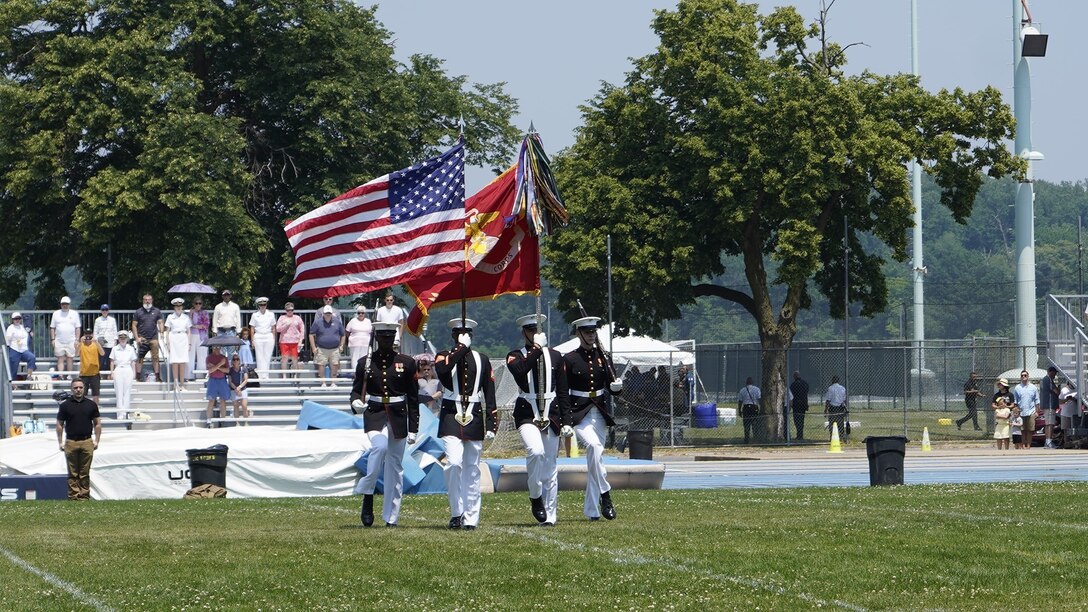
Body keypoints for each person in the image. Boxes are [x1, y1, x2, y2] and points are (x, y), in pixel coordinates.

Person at [349, 322, 418, 527]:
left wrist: (414, 427)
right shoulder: (366, 363)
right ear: (376, 338)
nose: (387, 341)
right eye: (383, 337)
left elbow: (413, 398)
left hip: (398, 415)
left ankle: (391, 517)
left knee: (395, 467)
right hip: (375, 413)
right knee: (379, 447)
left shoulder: (407, 363)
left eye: (390, 337)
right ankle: (368, 491)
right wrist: (355, 402)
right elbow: (355, 390)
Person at [506, 314, 571, 526]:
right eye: (530, 330)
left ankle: (550, 515)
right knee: (536, 451)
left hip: (551, 412)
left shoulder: (556, 356)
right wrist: (536, 349)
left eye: (537, 330)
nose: (534, 333)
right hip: (527, 411)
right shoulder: (516, 355)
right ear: (524, 332)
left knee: (550, 465)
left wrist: (567, 420)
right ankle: (535, 496)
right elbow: (520, 371)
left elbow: (562, 391)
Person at [434, 317, 497, 530]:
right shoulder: (444, 355)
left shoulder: (482, 359)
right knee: (453, 463)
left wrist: (492, 422)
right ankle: (456, 511)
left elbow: (489, 392)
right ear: (453, 336)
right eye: (459, 334)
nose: (464, 337)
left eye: (467, 334)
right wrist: (460, 348)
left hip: (474, 414)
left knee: (472, 468)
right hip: (452, 413)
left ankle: (471, 517)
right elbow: (443, 372)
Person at [563, 315, 623, 522]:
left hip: (599, 411)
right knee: (594, 448)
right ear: (578, 334)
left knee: (595, 460)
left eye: (593, 332)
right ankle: (605, 495)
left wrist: (617, 388)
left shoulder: (603, 357)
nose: (590, 335)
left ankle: (591, 511)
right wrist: (566, 420)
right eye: (586, 332)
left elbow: (611, 384)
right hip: (579, 412)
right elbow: (563, 391)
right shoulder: (570, 359)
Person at [55, 378, 101, 500]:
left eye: (80, 387)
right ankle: (73, 497)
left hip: (87, 441)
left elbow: (97, 424)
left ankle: (84, 497)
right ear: (72, 389)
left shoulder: (91, 405)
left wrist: (97, 441)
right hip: (71, 442)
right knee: (73, 473)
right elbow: (59, 424)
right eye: (75, 388)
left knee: (85, 472)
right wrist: (60, 442)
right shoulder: (65, 406)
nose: (78, 390)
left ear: (84, 388)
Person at [309, 305, 345, 387]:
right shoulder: (317, 322)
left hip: (335, 348)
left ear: (332, 313)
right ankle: (323, 383)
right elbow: (311, 334)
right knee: (321, 365)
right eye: (326, 313)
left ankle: (333, 382)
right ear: (323, 314)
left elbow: (343, 334)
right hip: (322, 348)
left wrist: (341, 345)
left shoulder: (337, 322)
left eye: (329, 313)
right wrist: (313, 347)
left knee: (335, 365)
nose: (328, 315)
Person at [131, 293, 163, 381]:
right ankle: (138, 376)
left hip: (154, 338)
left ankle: (157, 376)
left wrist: (162, 332)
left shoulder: (157, 311)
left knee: (156, 358)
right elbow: (134, 325)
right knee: (140, 358)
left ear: (152, 300)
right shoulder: (138, 312)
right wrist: (137, 337)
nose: (147, 301)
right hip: (142, 338)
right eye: (145, 299)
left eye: (149, 299)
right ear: (143, 300)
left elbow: (160, 322)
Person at [164, 297, 192, 389]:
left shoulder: (186, 317)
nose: (178, 308)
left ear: (182, 307)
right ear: (174, 308)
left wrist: (189, 343)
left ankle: (182, 384)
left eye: (180, 306)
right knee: (175, 362)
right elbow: (167, 331)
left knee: (182, 362)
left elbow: (189, 331)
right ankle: (176, 384)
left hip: (183, 338)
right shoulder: (170, 317)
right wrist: (167, 344)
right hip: (174, 338)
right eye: (176, 306)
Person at [50, 296, 81, 377]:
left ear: (69, 304)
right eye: (63, 304)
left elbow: (77, 327)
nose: (65, 305)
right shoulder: (56, 314)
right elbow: (52, 327)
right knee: (60, 358)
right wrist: (53, 339)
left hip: (71, 340)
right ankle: (60, 375)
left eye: (66, 304)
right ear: (61, 304)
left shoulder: (74, 313)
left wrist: (77, 339)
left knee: (70, 358)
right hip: (59, 340)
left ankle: (69, 375)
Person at [110, 331, 137, 419]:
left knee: (127, 392)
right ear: (118, 339)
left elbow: (133, 362)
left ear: (127, 339)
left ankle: (126, 413)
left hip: (128, 369)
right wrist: (112, 372)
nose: (122, 340)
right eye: (121, 338)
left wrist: (134, 373)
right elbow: (112, 361)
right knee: (119, 392)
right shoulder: (115, 348)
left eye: (124, 338)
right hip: (118, 369)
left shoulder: (131, 348)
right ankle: (120, 413)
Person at [249, 297, 276, 379]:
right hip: (259, 336)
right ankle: (260, 375)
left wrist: (273, 338)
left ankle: (266, 375)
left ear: (266, 305)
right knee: (259, 356)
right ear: (258, 305)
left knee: (267, 356)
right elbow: (252, 328)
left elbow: (273, 327)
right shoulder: (255, 315)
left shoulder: (271, 314)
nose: (262, 306)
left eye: (264, 304)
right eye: (261, 305)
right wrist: (252, 340)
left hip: (268, 335)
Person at [275, 302, 305, 376]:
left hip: (295, 341)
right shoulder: (282, 318)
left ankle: (294, 375)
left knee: (295, 359)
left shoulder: (297, 318)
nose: (290, 312)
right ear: (285, 310)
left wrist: (301, 340)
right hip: (284, 341)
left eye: (291, 310)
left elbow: (302, 329)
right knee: (284, 358)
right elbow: (278, 329)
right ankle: (284, 375)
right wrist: (286, 325)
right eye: (288, 310)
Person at [204, 345, 231, 426]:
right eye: (215, 347)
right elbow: (210, 370)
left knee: (223, 400)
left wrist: (216, 367)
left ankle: (222, 420)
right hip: (213, 380)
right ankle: (209, 421)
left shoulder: (224, 358)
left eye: (218, 347)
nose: (216, 349)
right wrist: (220, 364)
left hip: (222, 380)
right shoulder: (209, 358)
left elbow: (227, 370)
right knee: (211, 400)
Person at [212, 289, 241, 360]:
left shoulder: (235, 306)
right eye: (225, 295)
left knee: (232, 352)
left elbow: (238, 319)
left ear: (230, 296)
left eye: (228, 295)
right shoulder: (218, 307)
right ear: (222, 296)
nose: (226, 297)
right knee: (221, 352)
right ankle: (223, 369)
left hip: (232, 331)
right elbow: (215, 320)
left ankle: (230, 369)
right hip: (221, 332)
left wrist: (238, 332)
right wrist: (214, 331)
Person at [5, 312, 35, 381]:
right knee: (13, 368)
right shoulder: (10, 328)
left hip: (24, 350)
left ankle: (29, 376)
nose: (17, 320)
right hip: (14, 349)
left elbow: (28, 332)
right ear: (12, 320)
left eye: (19, 318)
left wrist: (30, 333)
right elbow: (7, 339)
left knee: (32, 357)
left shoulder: (22, 327)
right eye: (15, 319)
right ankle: (13, 385)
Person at [1012, 370, 1039, 448]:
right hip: (1021, 412)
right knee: (1023, 430)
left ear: (1028, 376)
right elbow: (1016, 401)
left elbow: (1037, 400)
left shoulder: (1033, 387)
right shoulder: (1017, 388)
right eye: (1022, 376)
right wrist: (1016, 411)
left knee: (1030, 430)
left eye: (1025, 375)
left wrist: (1037, 412)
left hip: (1031, 411)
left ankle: (1028, 445)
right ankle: (1023, 445)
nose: (1023, 377)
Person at [187, 297, 210, 381]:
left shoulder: (205, 313)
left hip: (202, 336)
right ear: (193, 304)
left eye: (200, 303)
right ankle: (189, 376)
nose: (198, 305)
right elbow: (188, 324)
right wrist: (190, 315)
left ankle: (200, 376)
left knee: (202, 356)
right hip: (192, 335)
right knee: (190, 355)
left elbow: (206, 325)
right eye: (196, 303)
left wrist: (196, 326)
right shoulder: (190, 313)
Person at [77, 334, 105, 404]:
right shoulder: (81, 345)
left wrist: (96, 342)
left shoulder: (95, 345)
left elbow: (102, 353)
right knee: (83, 394)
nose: (88, 338)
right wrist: (80, 342)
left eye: (89, 337)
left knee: (95, 394)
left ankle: (96, 409)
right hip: (84, 374)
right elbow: (76, 354)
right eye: (86, 336)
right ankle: (83, 409)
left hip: (95, 373)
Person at [92, 304, 117, 378]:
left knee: (110, 360)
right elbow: (95, 332)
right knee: (101, 360)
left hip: (110, 343)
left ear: (108, 311)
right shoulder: (98, 320)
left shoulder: (112, 320)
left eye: (106, 310)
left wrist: (115, 341)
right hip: (101, 344)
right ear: (101, 311)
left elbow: (114, 331)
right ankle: (100, 375)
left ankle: (110, 375)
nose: (104, 311)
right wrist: (96, 342)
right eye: (103, 310)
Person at [345, 305, 373, 371]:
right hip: (354, 344)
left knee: (364, 359)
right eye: (359, 313)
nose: (361, 314)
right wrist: (351, 339)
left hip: (365, 344)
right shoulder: (353, 321)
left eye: (362, 313)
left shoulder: (368, 321)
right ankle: (355, 373)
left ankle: (363, 374)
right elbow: (347, 331)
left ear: (365, 314)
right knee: (355, 359)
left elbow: (371, 332)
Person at [1039, 366, 1060, 448]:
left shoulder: (1044, 380)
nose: (1054, 374)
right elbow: (1056, 392)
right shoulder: (1048, 379)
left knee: (1048, 423)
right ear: (1049, 372)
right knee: (1050, 424)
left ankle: (1047, 441)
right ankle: (1049, 441)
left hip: (1047, 405)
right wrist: (1058, 389)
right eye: (1053, 372)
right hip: (1050, 405)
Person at [738, 376, 761, 444]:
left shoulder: (742, 390)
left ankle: (746, 439)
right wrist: (760, 408)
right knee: (755, 424)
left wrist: (740, 410)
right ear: (752, 382)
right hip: (754, 407)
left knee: (746, 425)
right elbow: (759, 399)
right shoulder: (757, 389)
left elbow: (740, 401)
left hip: (746, 408)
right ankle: (755, 439)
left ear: (746, 382)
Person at [825, 375, 848, 443]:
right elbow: (844, 400)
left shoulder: (830, 388)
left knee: (832, 423)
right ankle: (841, 436)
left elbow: (828, 400)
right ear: (838, 381)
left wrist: (826, 409)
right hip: (840, 407)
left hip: (832, 408)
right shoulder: (842, 388)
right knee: (840, 423)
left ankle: (832, 436)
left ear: (832, 381)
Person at [227, 355, 250, 422]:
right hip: (234, 389)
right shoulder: (230, 370)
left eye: (237, 359)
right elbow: (230, 381)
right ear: (232, 361)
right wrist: (236, 389)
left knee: (244, 406)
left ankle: (246, 422)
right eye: (234, 359)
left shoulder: (244, 368)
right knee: (235, 406)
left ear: (239, 360)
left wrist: (239, 387)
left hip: (242, 389)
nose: (236, 360)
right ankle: (237, 422)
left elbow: (246, 379)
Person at [789, 371, 810, 440]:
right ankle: (801, 434)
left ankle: (799, 434)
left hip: (796, 404)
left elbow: (791, 395)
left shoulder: (793, 385)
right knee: (802, 419)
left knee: (797, 420)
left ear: (795, 376)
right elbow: (807, 392)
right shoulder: (805, 384)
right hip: (803, 404)